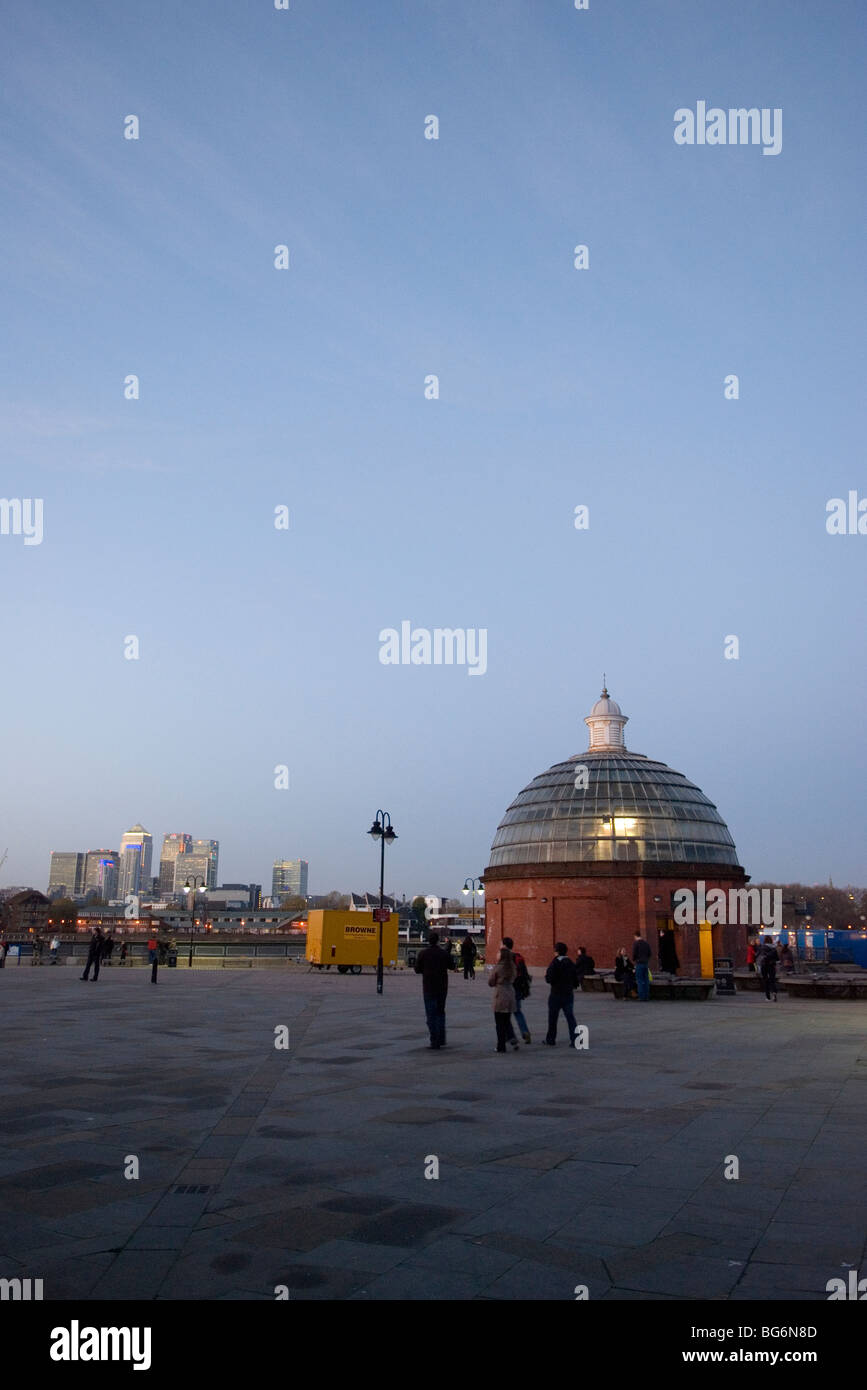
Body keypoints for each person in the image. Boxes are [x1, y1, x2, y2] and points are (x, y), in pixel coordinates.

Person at [413, 930, 449, 1049]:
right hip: (442, 987)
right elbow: (452, 965)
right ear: (438, 940)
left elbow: (417, 969)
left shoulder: (423, 953)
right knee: (440, 1013)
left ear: (429, 940)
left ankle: (434, 1040)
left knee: (431, 1014)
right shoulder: (443, 953)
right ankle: (441, 1037)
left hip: (428, 987)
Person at [544, 942, 578, 1045]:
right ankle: (575, 1039)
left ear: (556, 952)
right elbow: (575, 979)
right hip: (568, 993)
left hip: (556, 994)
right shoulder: (570, 963)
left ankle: (550, 1039)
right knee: (570, 1017)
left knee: (553, 1018)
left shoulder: (554, 963)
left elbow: (549, 978)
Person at [489, 947, 521, 1052]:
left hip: (500, 995)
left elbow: (491, 982)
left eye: (498, 953)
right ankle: (512, 1039)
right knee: (507, 1020)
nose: (497, 954)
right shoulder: (512, 966)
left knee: (499, 1023)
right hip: (510, 994)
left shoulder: (498, 967)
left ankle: (501, 1046)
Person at [502, 936, 532, 1042]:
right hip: (518, 988)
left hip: (508, 989)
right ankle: (525, 1031)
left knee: (505, 1014)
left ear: (504, 945)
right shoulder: (518, 956)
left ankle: (511, 1037)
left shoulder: (505, 958)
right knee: (518, 1012)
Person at [632, 931, 652, 1001]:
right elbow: (650, 953)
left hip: (639, 963)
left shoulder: (636, 944)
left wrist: (634, 959)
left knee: (640, 981)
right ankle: (647, 996)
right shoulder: (646, 943)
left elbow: (634, 954)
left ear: (635, 936)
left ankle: (641, 997)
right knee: (646, 980)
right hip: (645, 963)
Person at [758, 935, 778, 1001]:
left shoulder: (762, 947)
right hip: (771, 965)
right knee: (772, 980)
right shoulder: (774, 948)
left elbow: (757, 955)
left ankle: (768, 997)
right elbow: (777, 958)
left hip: (764, 965)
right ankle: (774, 993)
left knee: (765, 980)